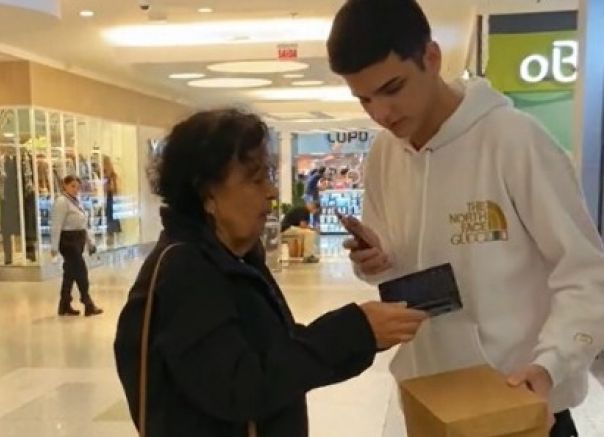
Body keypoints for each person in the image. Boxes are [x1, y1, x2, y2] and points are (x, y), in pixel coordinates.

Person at [327, 1, 604, 436]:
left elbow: (586, 273)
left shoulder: (514, 140)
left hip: (520, 402)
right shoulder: (384, 154)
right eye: (364, 99)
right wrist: (374, 259)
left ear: (432, 58)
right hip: (432, 402)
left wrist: (550, 364)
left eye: (393, 88)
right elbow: (395, 261)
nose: (381, 113)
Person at [113, 108, 428, 437]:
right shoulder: (185, 271)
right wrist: (354, 330)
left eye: (269, 177)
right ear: (208, 195)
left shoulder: (235, 260)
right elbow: (240, 386)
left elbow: (280, 355)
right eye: (255, 179)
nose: (272, 192)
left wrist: (365, 334)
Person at [50, 175, 103, 317]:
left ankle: (64, 304)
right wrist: (54, 248)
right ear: (65, 186)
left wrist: (90, 242)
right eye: (72, 186)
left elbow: (83, 225)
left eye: (77, 187)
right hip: (68, 241)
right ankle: (87, 302)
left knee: (70, 272)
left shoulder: (76, 202)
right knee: (81, 270)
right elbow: (56, 225)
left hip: (78, 239)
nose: (75, 189)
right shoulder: (62, 202)